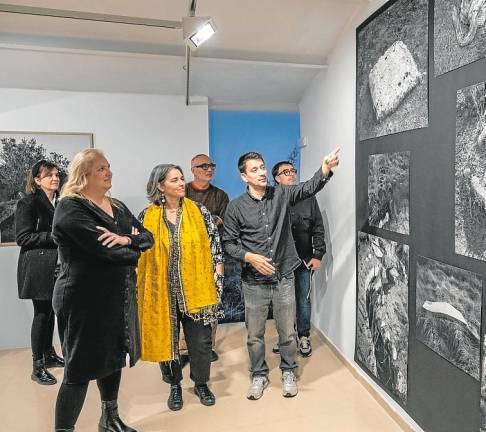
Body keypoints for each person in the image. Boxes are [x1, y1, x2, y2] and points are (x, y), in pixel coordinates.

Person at [223, 148, 339, 400]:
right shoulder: (235, 208)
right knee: (255, 335)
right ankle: (258, 375)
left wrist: (325, 169)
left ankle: (288, 371)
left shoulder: (282, 194)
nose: (262, 172)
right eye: (254, 170)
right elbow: (228, 243)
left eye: (263, 167)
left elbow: (308, 188)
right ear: (244, 176)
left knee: (287, 332)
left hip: (284, 276)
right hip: (253, 282)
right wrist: (249, 257)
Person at [52, 149, 153, 432]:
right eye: (100, 169)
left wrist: (124, 239)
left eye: (108, 167)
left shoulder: (117, 206)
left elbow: (147, 237)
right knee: (79, 368)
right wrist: (132, 249)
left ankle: (109, 419)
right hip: (82, 298)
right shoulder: (71, 207)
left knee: (113, 358)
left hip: (116, 296)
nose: (109, 172)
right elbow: (107, 253)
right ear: (83, 174)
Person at [137, 164, 224, 412]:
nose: (180, 183)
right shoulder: (146, 216)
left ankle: (201, 383)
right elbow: (140, 253)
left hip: (196, 289)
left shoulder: (200, 211)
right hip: (161, 292)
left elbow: (214, 246)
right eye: (174, 180)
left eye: (181, 178)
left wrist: (218, 280)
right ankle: (174, 385)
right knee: (167, 341)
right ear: (160, 186)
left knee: (200, 342)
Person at [15, 159, 65, 386]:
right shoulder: (28, 202)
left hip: (54, 266)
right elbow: (22, 237)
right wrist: (55, 236)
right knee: (42, 314)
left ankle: (49, 354)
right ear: (37, 180)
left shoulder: (59, 201)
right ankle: (38, 366)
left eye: (56, 174)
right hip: (36, 267)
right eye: (49, 175)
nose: (55, 178)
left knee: (51, 312)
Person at [272, 160, 326, 357]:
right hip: (282, 261)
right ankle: (285, 337)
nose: (291, 174)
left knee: (303, 299)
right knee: (283, 301)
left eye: (293, 171)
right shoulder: (272, 199)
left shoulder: (309, 198)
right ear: (277, 179)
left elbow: (318, 227)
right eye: (286, 172)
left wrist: (318, 254)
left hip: (304, 259)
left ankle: (303, 336)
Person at [185, 153, 229, 362]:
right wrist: (208, 221)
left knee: (211, 302)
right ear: (192, 169)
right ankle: (184, 349)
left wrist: (199, 222)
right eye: (203, 166)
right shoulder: (181, 191)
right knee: (184, 304)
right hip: (185, 257)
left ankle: (206, 346)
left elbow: (222, 222)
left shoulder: (220, 196)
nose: (209, 169)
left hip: (211, 256)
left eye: (211, 165)